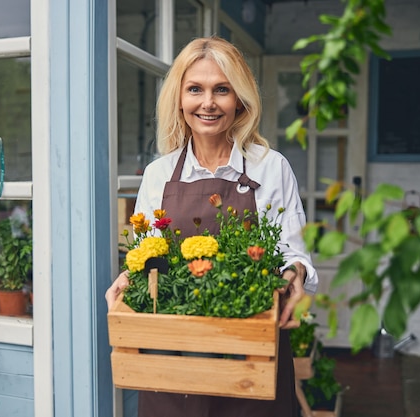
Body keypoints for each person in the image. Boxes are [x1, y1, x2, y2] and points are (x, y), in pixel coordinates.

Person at [105, 36, 318, 417]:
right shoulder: (158, 175)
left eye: (221, 89)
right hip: (173, 360)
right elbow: (148, 256)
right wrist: (129, 277)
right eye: (195, 89)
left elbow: (292, 248)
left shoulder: (270, 167)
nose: (208, 102)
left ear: (239, 99)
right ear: (180, 98)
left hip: (252, 356)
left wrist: (295, 273)